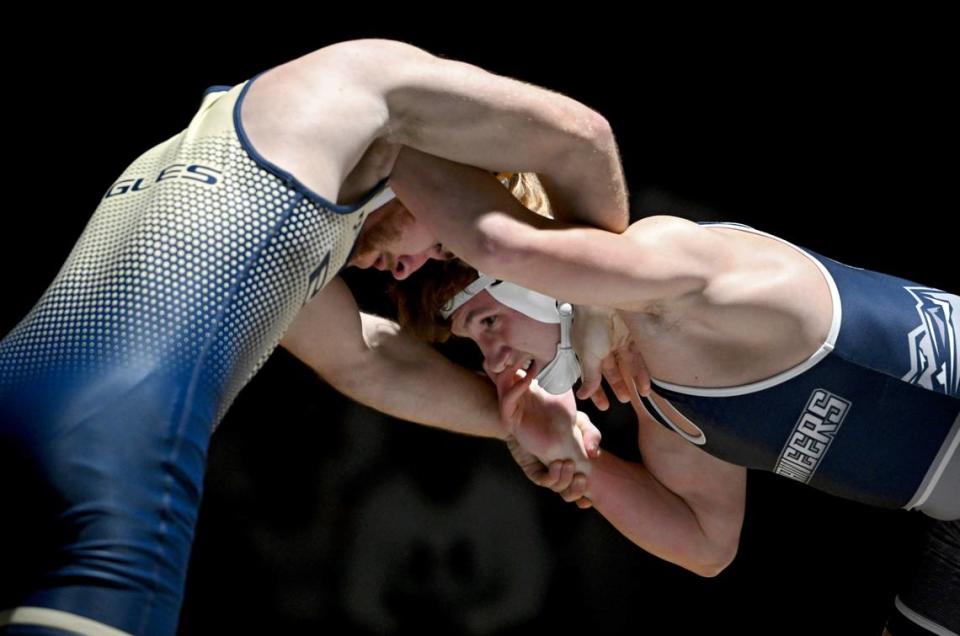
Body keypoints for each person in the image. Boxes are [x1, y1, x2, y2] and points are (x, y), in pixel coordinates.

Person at [0, 39, 624, 636]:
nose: (408, 269)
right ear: (469, 174)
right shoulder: (362, 78)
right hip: (117, 450)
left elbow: (363, 360)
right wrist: (598, 306)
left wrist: (511, 424)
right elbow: (584, 140)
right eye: (441, 242)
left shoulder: (269, 163)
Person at [393, 156, 959, 636]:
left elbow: (564, 185)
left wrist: (577, 285)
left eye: (487, 322)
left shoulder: (668, 252)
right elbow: (705, 543)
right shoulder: (657, 394)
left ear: (522, 277)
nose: (493, 361)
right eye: (476, 344)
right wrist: (577, 460)